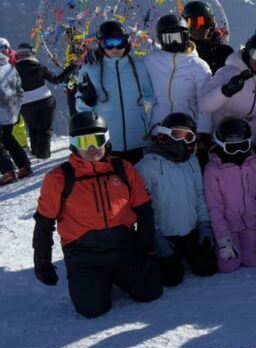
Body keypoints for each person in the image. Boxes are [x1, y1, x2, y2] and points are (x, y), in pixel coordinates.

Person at [31, 111, 162, 317]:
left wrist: (146, 248)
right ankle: (96, 281)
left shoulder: (123, 169)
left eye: (98, 140)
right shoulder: (59, 178)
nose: (92, 148)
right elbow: (44, 222)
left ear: (107, 140)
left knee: (151, 291)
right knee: (93, 309)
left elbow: (144, 210)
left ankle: (118, 276)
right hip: (85, 256)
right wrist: (42, 260)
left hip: (124, 249)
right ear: (73, 144)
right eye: (84, 142)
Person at [136, 112, 216, 285]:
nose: (181, 141)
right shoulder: (147, 166)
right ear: (164, 134)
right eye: (177, 134)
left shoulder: (192, 161)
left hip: (191, 230)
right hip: (165, 235)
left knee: (207, 267)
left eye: (188, 136)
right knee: (171, 279)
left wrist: (204, 224)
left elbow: (199, 193)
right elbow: (143, 207)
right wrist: (156, 236)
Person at [75, 21, 155, 164]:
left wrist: (152, 127)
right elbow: (80, 107)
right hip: (108, 143)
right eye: (109, 43)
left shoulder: (138, 66)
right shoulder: (90, 69)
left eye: (120, 42)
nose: (115, 48)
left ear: (126, 43)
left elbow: (152, 98)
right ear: (101, 44)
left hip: (140, 140)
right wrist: (87, 100)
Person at [203, 118, 256, 273]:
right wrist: (223, 240)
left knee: (255, 261)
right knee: (228, 266)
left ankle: (251, 240)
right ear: (220, 145)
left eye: (243, 146)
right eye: (232, 148)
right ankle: (226, 243)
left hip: (252, 223)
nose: (238, 152)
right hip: (229, 226)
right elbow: (214, 208)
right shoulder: (213, 170)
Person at [198, 33, 256, 154]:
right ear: (247, 52)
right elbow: (203, 105)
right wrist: (225, 91)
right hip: (222, 142)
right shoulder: (226, 73)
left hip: (250, 145)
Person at [143, 14, 213, 139]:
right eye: (169, 38)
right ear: (161, 40)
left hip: (186, 129)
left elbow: (205, 103)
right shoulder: (151, 61)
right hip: (158, 126)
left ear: (186, 36)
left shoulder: (198, 66)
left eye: (178, 37)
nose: (174, 42)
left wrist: (203, 131)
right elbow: (137, 85)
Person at [14, 43, 74, 159]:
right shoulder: (39, 68)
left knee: (32, 128)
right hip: (45, 101)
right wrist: (71, 68)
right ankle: (43, 155)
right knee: (45, 128)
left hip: (25, 104)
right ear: (32, 53)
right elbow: (57, 80)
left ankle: (35, 152)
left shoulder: (13, 71)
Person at [0, 38, 30, 184]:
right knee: (8, 138)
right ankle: (24, 166)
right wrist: (16, 109)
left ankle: (8, 171)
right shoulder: (10, 67)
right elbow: (19, 90)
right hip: (10, 112)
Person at [183, 1, 233, 74]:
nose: (202, 27)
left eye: (207, 22)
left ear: (212, 23)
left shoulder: (224, 53)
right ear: (185, 24)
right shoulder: (181, 53)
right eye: (195, 23)